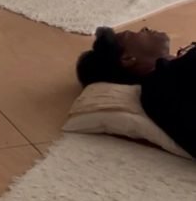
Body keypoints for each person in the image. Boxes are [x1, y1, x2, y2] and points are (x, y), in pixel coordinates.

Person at [76, 26, 196, 159]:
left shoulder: (160, 87)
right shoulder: (163, 85)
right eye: (135, 33)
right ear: (127, 59)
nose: (146, 28)